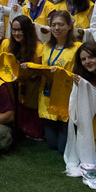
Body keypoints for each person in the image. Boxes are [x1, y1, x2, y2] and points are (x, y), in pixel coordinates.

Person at [37, 10, 81, 153]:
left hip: (65, 98)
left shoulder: (77, 48)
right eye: (54, 25)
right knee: (52, 144)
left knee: (62, 148)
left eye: (61, 24)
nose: (57, 28)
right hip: (47, 95)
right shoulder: (46, 47)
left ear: (69, 26)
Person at [11, 15, 43, 139]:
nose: (16, 33)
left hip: (34, 87)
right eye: (14, 30)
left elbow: (37, 73)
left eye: (20, 30)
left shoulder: (38, 48)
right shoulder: (14, 45)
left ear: (28, 30)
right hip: (20, 87)